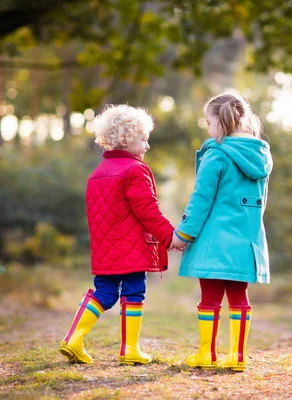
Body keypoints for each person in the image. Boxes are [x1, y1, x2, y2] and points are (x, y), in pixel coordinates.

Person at [60, 104, 175, 365]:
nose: (147, 146)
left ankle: (74, 337)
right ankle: (129, 348)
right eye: (143, 139)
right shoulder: (135, 170)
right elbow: (148, 211)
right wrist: (169, 237)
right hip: (131, 247)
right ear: (125, 139)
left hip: (104, 248)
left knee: (105, 291)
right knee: (134, 291)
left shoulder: (97, 173)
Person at [170, 92, 273, 371]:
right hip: (246, 241)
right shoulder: (261, 156)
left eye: (208, 121)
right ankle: (238, 357)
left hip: (214, 243)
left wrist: (183, 234)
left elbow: (201, 199)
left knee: (210, 298)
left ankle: (207, 354)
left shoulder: (216, 153)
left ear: (222, 121)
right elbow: (260, 204)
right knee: (240, 297)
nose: (207, 127)